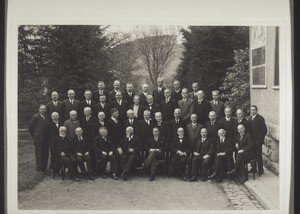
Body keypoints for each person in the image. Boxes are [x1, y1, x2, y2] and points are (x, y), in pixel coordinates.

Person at [29, 104, 49, 173]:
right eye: (41, 109)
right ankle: (39, 168)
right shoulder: (35, 117)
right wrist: (35, 136)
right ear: (39, 110)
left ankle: (45, 168)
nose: (43, 110)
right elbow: (31, 128)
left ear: (46, 110)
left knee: (45, 153)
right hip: (38, 138)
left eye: (44, 109)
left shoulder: (47, 117)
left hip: (46, 139)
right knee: (39, 153)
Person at [248, 105, 267, 175]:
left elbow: (264, 130)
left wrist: (260, 140)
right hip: (251, 141)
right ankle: (254, 168)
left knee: (258, 155)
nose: (252, 111)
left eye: (254, 110)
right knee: (252, 155)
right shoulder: (249, 119)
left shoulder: (260, 118)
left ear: (256, 110)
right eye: (251, 110)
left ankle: (260, 170)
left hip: (258, 141)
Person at [80, 107, 98, 173]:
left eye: (88, 111)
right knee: (86, 155)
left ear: (91, 112)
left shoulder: (95, 119)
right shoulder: (82, 119)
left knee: (93, 155)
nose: (87, 113)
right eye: (85, 111)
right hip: (84, 140)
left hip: (92, 139)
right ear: (84, 112)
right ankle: (87, 171)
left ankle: (94, 171)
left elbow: (96, 130)